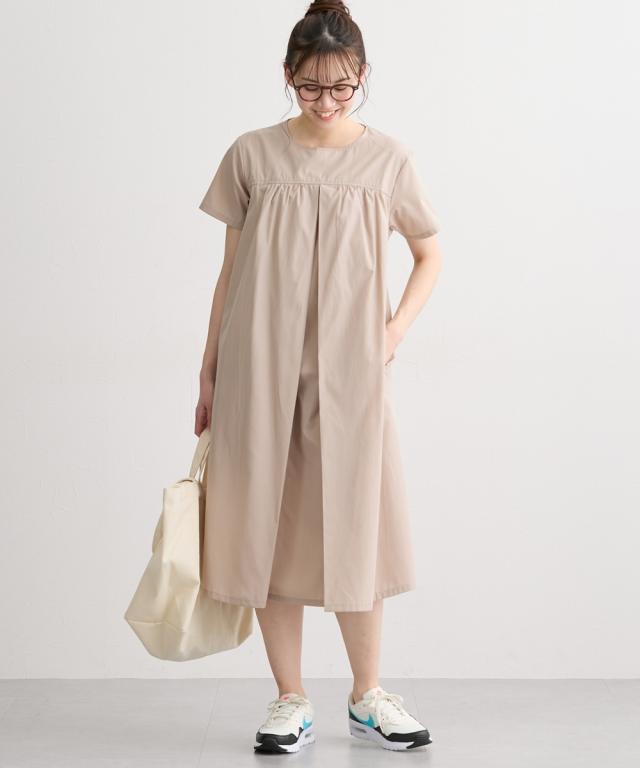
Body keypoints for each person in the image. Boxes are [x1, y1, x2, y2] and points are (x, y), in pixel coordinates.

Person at [195, 0, 442, 754]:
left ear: (363, 76)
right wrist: (208, 373)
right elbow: (230, 271)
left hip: (351, 374)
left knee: (356, 522)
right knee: (265, 522)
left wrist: (392, 333)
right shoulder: (252, 154)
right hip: (256, 365)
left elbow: (430, 253)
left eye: (341, 87)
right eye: (310, 87)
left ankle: (367, 696)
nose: (327, 101)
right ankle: (289, 698)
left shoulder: (389, 159)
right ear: (287, 76)